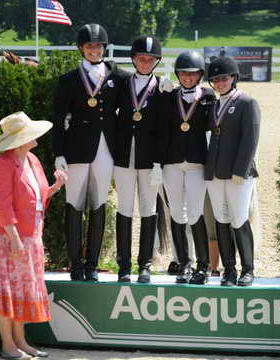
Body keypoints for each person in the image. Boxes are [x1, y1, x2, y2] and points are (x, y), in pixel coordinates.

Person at [0, 112, 67, 359]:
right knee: (7, 288)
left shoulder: (32, 160)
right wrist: (14, 239)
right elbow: (2, 205)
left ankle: (21, 341)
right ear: (20, 139)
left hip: (31, 236)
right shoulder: (1, 164)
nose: (35, 137)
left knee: (21, 288)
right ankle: (8, 345)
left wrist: (55, 188)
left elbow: (36, 199)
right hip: (6, 237)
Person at [52, 24, 127, 282]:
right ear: (81, 49)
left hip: (106, 149)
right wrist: (58, 152)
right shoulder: (68, 80)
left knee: (98, 203)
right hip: (76, 149)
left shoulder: (116, 75)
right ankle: (76, 263)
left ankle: (92, 263)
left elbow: (142, 81)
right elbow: (58, 116)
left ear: (104, 48)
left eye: (98, 46)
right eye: (90, 46)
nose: (95, 50)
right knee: (73, 204)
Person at [113, 35, 172, 283]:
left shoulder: (162, 88)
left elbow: (165, 128)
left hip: (150, 160)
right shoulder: (122, 83)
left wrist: (159, 162)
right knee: (125, 209)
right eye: (141, 58)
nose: (145, 63)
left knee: (148, 210)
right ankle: (124, 265)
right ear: (133, 60)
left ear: (156, 61)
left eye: (150, 59)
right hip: (124, 157)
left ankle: (145, 263)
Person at [160, 50, 216, 285]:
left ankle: (203, 266)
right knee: (176, 213)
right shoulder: (169, 96)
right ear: (178, 74)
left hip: (196, 162)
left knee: (195, 212)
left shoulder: (208, 98)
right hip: (172, 162)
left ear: (200, 75)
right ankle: (184, 263)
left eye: (192, 74)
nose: (187, 78)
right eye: (183, 74)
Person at [204, 56, 260, 287]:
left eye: (223, 78)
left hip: (239, 173)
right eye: (215, 80)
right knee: (221, 219)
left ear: (233, 78)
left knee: (239, 218)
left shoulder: (247, 103)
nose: (219, 83)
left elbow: (251, 138)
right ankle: (228, 270)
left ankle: (248, 269)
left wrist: (241, 169)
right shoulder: (213, 105)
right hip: (215, 171)